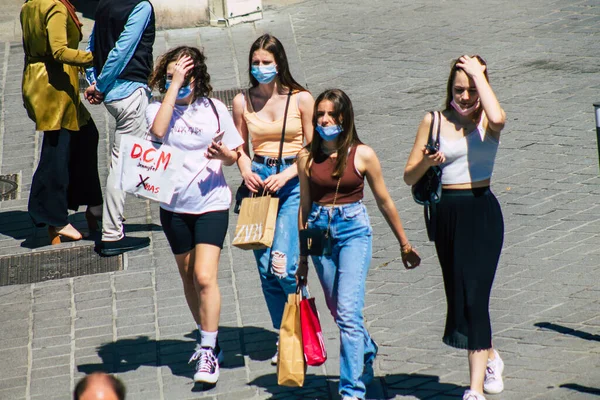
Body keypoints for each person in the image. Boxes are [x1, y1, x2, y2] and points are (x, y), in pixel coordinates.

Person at [296, 89, 421, 400]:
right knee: (337, 308)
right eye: (320, 115)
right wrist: (301, 257)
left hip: (353, 231)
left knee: (349, 313)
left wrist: (404, 243)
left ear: (344, 118)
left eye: (330, 115)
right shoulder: (306, 156)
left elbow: (384, 201)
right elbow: (304, 205)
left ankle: (351, 391)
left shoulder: (362, 154)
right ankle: (365, 348)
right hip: (319, 232)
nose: (324, 120)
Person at [403, 55, 506, 400]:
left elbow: (499, 117)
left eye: (471, 89)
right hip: (447, 215)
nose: (464, 96)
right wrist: (427, 163)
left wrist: (478, 74)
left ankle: (474, 388)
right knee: (461, 298)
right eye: (458, 89)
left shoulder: (486, 124)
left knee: (476, 298)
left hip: (482, 213)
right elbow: (408, 176)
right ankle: (489, 354)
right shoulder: (432, 121)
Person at [147, 46, 243, 385]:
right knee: (188, 279)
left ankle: (205, 350)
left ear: (197, 77)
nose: (182, 81)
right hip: (173, 208)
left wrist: (226, 156)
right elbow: (157, 133)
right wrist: (172, 86)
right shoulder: (158, 109)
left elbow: (234, 154)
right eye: (174, 75)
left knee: (204, 277)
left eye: (187, 76)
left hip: (211, 203)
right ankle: (210, 337)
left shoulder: (215, 109)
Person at [232, 33, 314, 363]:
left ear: (279, 63)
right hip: (259, 186)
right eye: (256, 62)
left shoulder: (301, 99)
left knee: (283, 265)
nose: (261, 67)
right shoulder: (242, 101)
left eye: (267, 62)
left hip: (292, 184)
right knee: (266, 271)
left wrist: (289, 173)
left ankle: (298, 330)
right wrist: (244, 168)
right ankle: (286, 335)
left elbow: (313, 147)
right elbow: (238, 147)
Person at [20, 0, 103, 245]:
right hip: (53, 87)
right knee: (56, 151)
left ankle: (93, 205)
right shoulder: (54, 7)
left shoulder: (30, 5)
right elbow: (59, 51)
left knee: (86, 136)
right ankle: (54, 219)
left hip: (43, 81)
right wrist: (96, 58)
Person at [84, 0, 155, 256]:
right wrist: (99, 86)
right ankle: (112, 234)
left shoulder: (104, 3)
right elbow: (122, 50)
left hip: (114, 95)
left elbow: (92, 45)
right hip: (129, 94)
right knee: (122, 164)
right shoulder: (141, 7)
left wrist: (93, 81)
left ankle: (103, 216)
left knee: (137, 152)